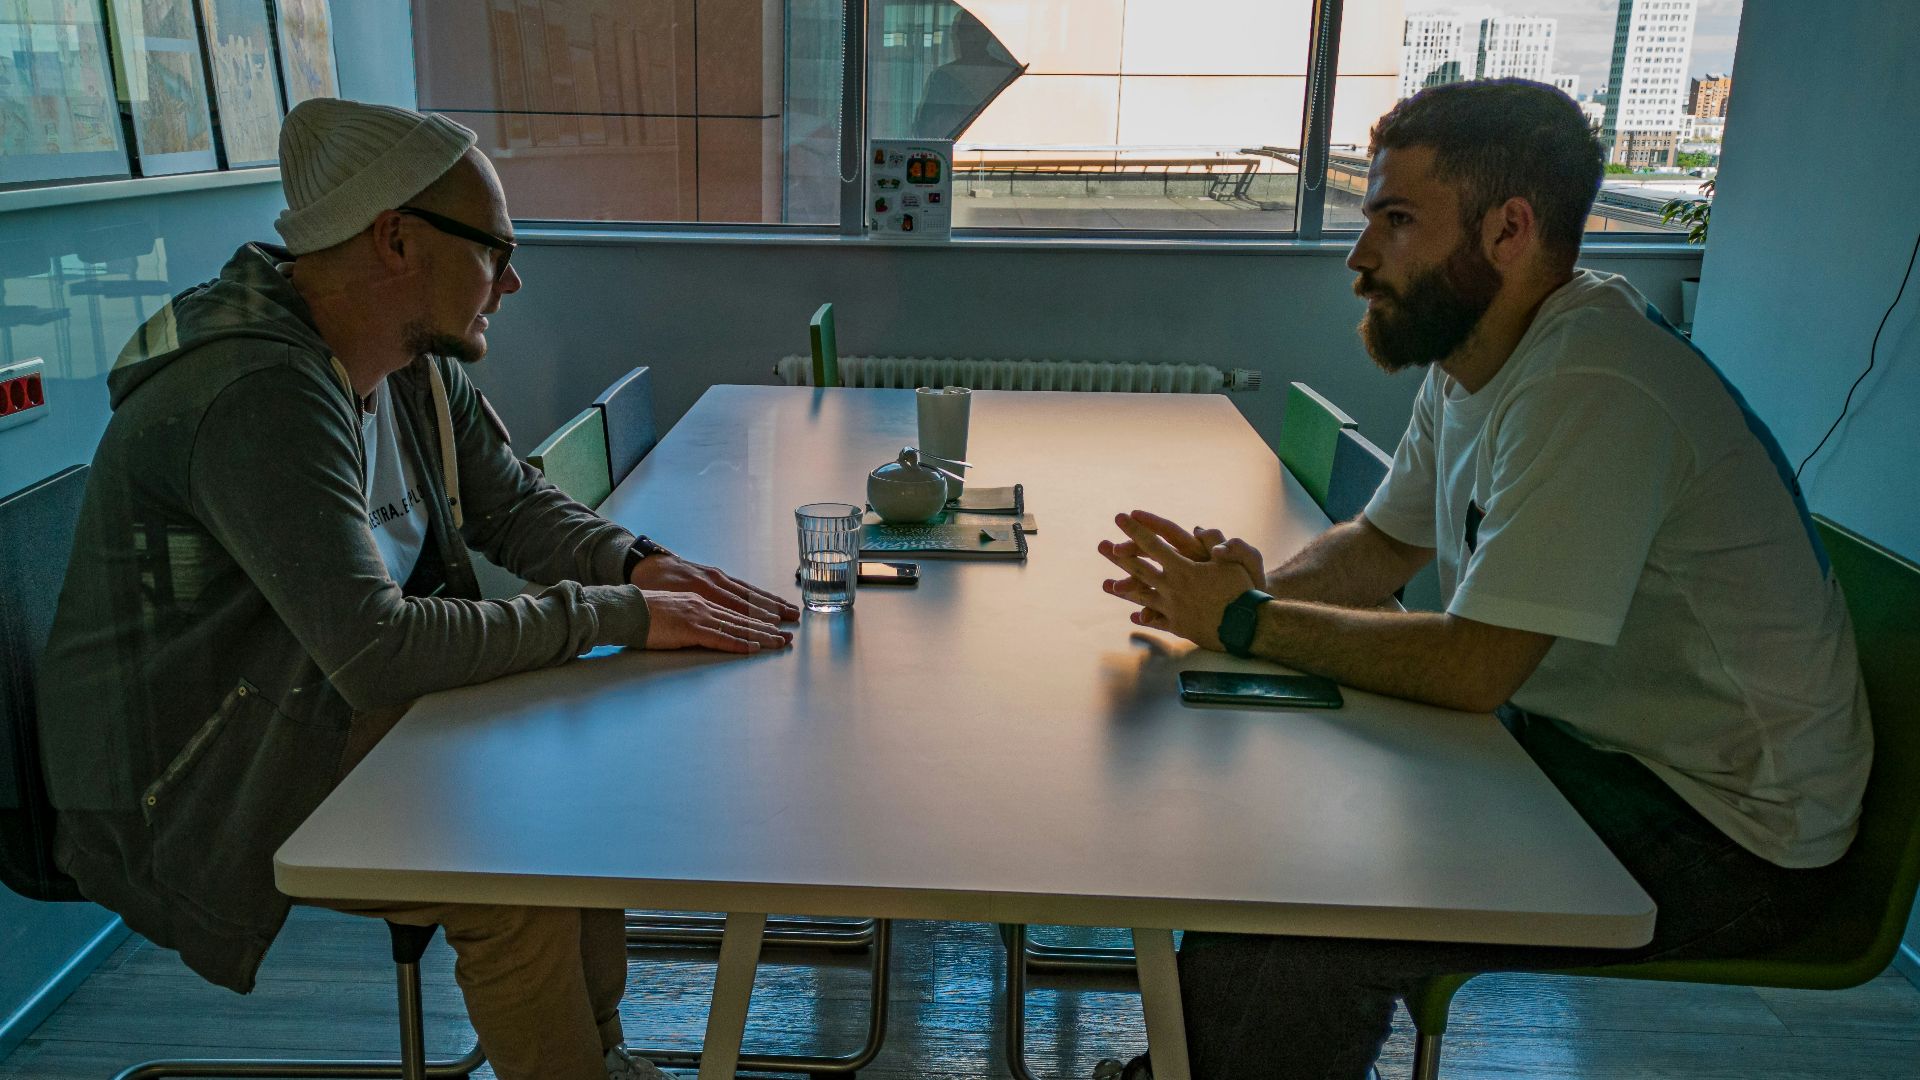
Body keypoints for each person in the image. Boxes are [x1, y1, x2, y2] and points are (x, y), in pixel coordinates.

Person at [1095, 79, 1871, 1079]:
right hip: (1596, 751)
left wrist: (1244, 622)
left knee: (1317, 914)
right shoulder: (1477, 355)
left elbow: (1474, 667)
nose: (1359, 256)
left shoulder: (1594, 385)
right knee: (1279, 855)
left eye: (1397, 220)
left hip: (1731, 832)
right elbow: (1379, 548)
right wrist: (1261, 589)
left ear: (1511, 230)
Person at [37, 98, 799, 1080]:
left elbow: (512, 503)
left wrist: (635, 563)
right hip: (206, 766)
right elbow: (375, 646)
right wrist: (623, 615)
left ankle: (599, 1055)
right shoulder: (256, 393)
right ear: (396, 239)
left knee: (587, 778)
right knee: (512, 871)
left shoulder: (403, 357)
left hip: (306, 706)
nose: (512, 280)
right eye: (494, 248)